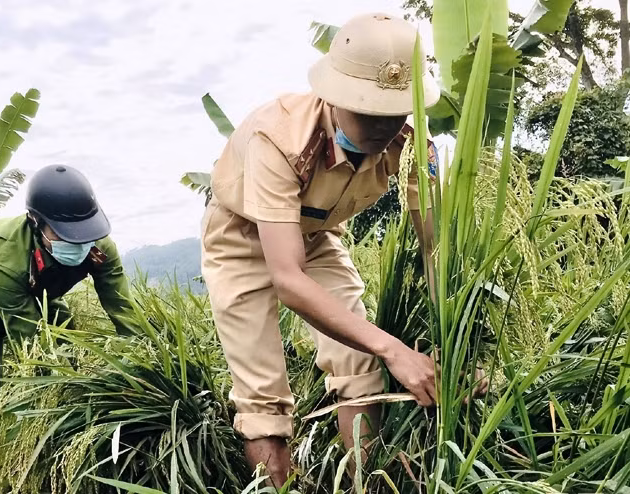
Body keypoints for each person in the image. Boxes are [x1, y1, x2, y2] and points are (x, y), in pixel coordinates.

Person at [201, 12, 486, 486]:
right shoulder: (280, 138)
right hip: (242, 236)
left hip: (315, 235)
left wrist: (456, 344)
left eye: (393, 112)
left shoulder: (414, 145)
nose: (383, 127)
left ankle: (362, 483)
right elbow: (288, 280)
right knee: (263, 397)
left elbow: (435, 247)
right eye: (368, 111)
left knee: (360, 368)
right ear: (334, 96)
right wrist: (394, 349)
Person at [0, 164, 137, 398]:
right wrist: (61, 388)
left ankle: (71, 389)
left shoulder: (99, 245)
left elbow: (122, 306)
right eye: (62, 233)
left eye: (83, 230)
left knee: (64, 337)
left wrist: (142, 357)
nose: (77, 241)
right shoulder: (2, 260)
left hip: (39, 293)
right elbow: (29, 337)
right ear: (35, 221)